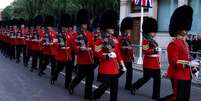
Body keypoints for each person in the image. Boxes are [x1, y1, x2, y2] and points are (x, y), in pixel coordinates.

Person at [160, 5, 194, 101]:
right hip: (178, 75)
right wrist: (187, 64)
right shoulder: (173, 44)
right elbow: (173, 62)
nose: (186, 30)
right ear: (178, 28)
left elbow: (187, 57)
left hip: (187, 75)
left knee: (185, 98)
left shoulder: (185, 43)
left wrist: (193, 65)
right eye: (184, 28)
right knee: (176, 97)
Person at [91, 10, 126, 101]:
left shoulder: (114, 39)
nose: (112, 31)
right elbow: (96, 52)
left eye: (113, 29)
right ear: (106, 28)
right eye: (110, 29)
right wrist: (106, 56)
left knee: (114, 88)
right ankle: (95, 95)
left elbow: (118, 53)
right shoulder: (100, 40)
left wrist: (122, 64)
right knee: (105, 85)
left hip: (115, 68)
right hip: (106, 67)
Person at [130, 17, 161, 100]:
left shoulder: (153, 41)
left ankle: (156, 95)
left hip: (156, 64)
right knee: (145, 78)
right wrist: (154, 50)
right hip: (149, 64)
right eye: (152, 31)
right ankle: (134, 86)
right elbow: (146, 51)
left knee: (158, 80)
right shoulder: (145, 41)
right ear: (148, 31)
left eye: (154, 31)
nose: (154, 33)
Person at [68, 9, 94, 100]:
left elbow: (93, 46)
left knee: (90, 78)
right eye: (84, 23)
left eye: (87, 23)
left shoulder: (90, 34)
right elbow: (73, 45)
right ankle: (71, 85)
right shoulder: (76, 34)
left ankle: (88, 94)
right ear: (81, 24)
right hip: (82, 59)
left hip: (90, 59)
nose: (86, 25)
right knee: (80, 76)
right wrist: (79, 49)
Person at [50, 13, 73, 89]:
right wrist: (60, 46)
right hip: (61, 56)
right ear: (62, 27)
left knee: (69, 71)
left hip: (68, 56)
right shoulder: (58, 35)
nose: (67, 28)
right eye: (65, 27)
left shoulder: (69, 35)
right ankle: (53, 77)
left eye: (67, 27)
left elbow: (72, 44)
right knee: (58, 69)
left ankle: (67, 84)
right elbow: (54, 43)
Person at [118, 17, 134, 90]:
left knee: (130, 74)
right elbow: (119, 47)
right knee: (121, 71)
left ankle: (128, 85)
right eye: (128, 29)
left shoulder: (129, 37)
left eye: (130, 29)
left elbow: (130, 46)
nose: (129, 30)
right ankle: (111, 81)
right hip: (123, 58)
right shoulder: (120, 37)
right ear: (125, 29)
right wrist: (126, 48)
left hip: (129, 58)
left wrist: (132, 56)